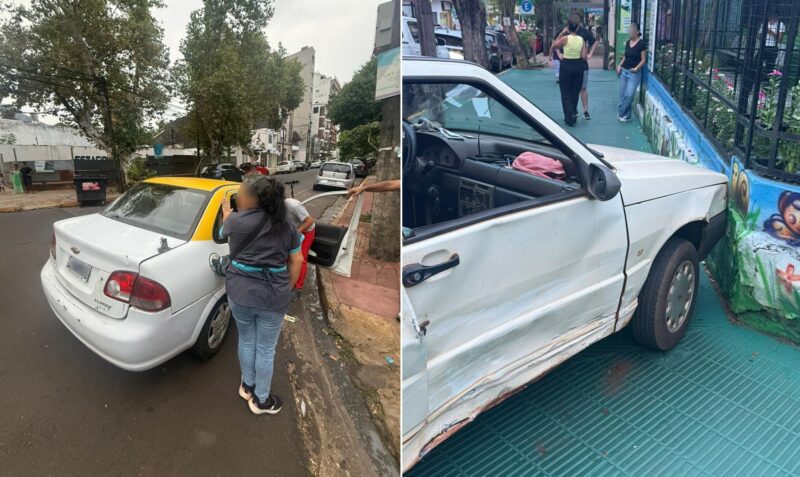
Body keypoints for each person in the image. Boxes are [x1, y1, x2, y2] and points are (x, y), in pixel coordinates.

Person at [219, 175, 303, 415]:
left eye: (242, 194)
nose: (238, 197)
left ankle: (248, 386)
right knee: (266, 349)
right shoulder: (286, 225)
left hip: (239, 293)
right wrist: (286, 288)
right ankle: (261, 400)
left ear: (255, 199)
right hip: (272, 296)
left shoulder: (235, 220)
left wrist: (227, 212)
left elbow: (225, 229)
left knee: (246, 340)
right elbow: (297, 260)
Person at [556, 13, 597, 120]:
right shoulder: (564, 30)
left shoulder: (584, 32)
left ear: (579, 21)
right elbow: (555, 42)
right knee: (569, 90)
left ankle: (585, 111)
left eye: (576, 19)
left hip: (581, 65)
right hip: (567, 64)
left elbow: (594, 42)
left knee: (581, 88)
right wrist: (559, 54)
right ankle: (572, 111)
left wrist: (590, 54)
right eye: (573, 18)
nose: (574, 20)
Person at [552, 23, 587, 126]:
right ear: (577, 28)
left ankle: (569, 117)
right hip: (578, 65)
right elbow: (584, 57)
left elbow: (555, 45)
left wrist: (561, 34)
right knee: (575, 91)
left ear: (568, 29)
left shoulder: (565, 38)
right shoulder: (582, 40)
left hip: (567, 65)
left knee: (565, 91)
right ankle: (573, 112)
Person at [285, 196, 315, 299]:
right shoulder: (275, 207)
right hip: (292, 231)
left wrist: (298, 232)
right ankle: (289, 281)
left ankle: (298, 288)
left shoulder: (293, 205)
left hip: (306, 231)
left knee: (300, 259)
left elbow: (309, 221)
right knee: (288, 258)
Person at [616, 22, 647, 122]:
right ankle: (627, 115)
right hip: (624, 71)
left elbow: (643, 60)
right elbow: (625, 56)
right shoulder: (628, 42)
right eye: (630, 29)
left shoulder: (641, 44)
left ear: (638, 31)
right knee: (623, 94)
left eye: (633, 29)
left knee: (629, 94)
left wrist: (636, 68)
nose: (630, 31)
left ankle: (620, 112)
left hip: (634, 73)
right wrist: (619, 65)